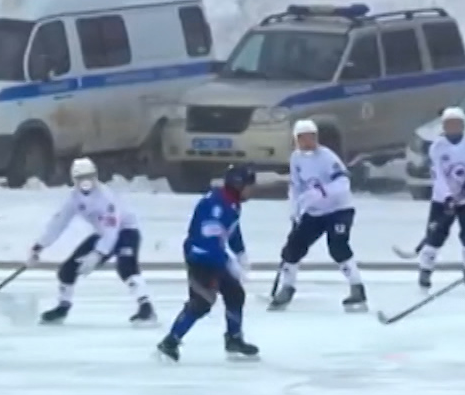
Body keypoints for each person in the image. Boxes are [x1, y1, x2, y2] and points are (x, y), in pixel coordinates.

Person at [30, 158, 156, 326]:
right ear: (74, 180)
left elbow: (112, 230)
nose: (86, 182)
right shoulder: (74, 198)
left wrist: (97, 254)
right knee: (67, 269)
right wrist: (39, 246)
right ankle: (62, 307)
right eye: (81, 178)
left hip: (126, 231)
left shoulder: (106, 198)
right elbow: (59, 222)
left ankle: (146, 308)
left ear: (95, 176)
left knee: (126, 267)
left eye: (89, 177)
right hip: (102, 234)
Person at [157, 164, 260, 362]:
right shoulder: (215, 207)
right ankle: (170, 342)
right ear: (238, 185)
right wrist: (229, 263)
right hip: (200, 257)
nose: (252, 190)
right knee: (202, 302)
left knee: (235, 294)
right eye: (249, 186)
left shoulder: (231, 203)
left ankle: (234, 339)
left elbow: (232, 229)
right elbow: (209, 242)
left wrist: (240, 253)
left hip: (214, 256)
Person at [268, 119, 366, 313]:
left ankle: (357, 287)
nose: (307, 142)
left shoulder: (327, 157)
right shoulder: (296, 158)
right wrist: (296, 210)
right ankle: (287, 287)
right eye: (302, 138)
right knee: (293, 247)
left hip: (338, 210)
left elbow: (343, 183)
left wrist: (321, 193)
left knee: (337, 246)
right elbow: (296, 187)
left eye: (311, 137)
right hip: (314, 212)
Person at [417, 107, 465, 290]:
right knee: (436, 235)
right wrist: (447, 196)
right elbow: (438, 175)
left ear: (463, 125)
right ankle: (426, 270)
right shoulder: (437, 147)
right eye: (449, 124)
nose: (453, 127)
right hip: (442, 200)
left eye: (457, 124)